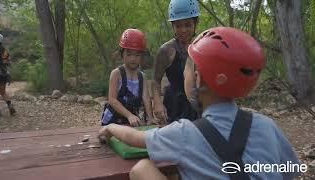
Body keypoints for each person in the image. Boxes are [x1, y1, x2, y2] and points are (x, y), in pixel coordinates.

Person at [98, 27, 301, 180]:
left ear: (197, 80)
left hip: (133, 131)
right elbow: (292, 169)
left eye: (188, 69)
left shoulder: (185, 133)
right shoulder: (267, 126)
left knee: (142, 168)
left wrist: (111, 127)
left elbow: (135, 138)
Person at [152, 0, 200, 123]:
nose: (183, 30)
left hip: (198, 103)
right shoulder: (166, 50)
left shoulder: (202, 46)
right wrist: (157, 103)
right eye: (178, 26)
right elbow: (156, 80)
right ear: (172, 25)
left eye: (188, 25)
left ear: (196, 23)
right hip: (175, 105)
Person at [100, 29, 154, 126]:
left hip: (132, 121)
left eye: (137, 55)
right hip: (113, 121)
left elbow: (146, 98)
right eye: (129, 54)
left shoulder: (142, 76)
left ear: (142, 56)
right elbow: (112, 99)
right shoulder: (116, 74)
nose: (133, 58)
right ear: (122, 54)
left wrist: (150, 117)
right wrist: (129, 115)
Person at [0, 32, 16, 117]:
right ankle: (10, 104)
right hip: (4, 74)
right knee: (2, 92)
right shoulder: (5, 51)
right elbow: (7, 63)